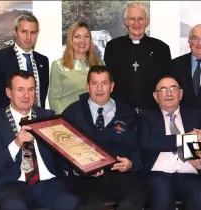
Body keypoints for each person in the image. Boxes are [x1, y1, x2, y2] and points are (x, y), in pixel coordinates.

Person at [0, 70, 78, 210]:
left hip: (49, 183)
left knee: (70, 202)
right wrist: (16, 143)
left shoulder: (48, 117)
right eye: (20, 90)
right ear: (8, 92)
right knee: (14, 206)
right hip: (12, 185)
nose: (26, 95)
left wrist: (81, 167)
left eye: (31, 89)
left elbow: (62, 154)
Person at [62, 65, 145, 210]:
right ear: (88, 87)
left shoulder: (127, 113)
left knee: (137, 199)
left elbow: (136, 148)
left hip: (118, 175)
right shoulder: (72, 113)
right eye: (94, 84)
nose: (99, 89)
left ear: (112, 86)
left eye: (104, 83)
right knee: (88, 206)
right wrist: (77, 169)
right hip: (84, 179)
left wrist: (131, 163)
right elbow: (60, 152)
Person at [139, 76, 201, 210]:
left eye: (173, 88)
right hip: (158, 174)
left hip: (189, 174)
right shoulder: (146, 118)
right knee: (162, 201)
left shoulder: (195, 116)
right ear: (156, 96)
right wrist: (183, 138)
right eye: (163, 89)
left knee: (200, 200)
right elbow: (148, 143)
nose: (169, 93)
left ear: (181, 94)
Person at [104, 2, 172, 113]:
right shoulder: (113, 47)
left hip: (152, 113)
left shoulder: (161, 48)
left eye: (140, 19)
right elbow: (108, 80)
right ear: (126, 21)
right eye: (132, 19)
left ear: (147, 22)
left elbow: (166, 82)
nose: (136, 23)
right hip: (120, 113)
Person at [0, 13, 49, 117]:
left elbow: (41, 96)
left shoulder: (43, 61)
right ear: (15, 33)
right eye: (24, 32)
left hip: (36, 122)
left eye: (33, 32)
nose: (29, 37)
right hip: (6, 124)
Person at [49, 22, 102, 114]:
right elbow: (54, 99)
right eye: (77, 37)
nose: (82, 41)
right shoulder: (58, 65)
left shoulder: (100, 64)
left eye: (86, 36)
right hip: (69, 119)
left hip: (96, 118)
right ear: (70, 40)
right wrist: (64, 120)